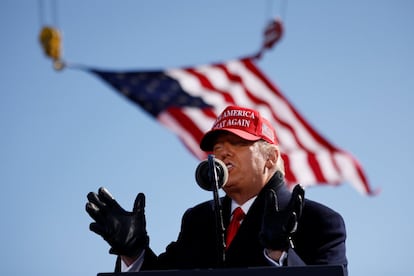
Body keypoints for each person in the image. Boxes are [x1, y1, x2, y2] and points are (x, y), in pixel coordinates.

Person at [86, 105, 347, 274]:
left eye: (236, 142)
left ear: (270, 158)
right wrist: (133, 252)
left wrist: (279, 254)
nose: (221, 152)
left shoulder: (320, 222)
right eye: (216, 146)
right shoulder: (198, 220)